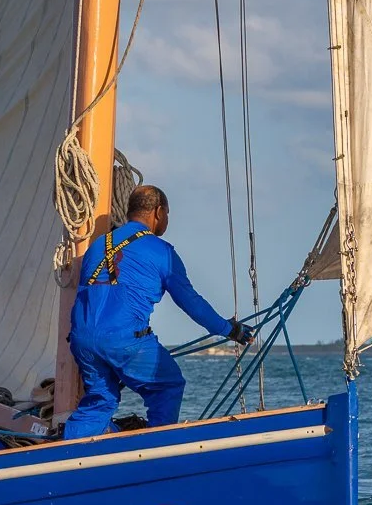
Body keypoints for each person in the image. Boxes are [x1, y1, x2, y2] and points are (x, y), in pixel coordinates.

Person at [63, 185, 253, 440]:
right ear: (158, 212)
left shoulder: (97, 246)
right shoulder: (162, 252)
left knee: (100, 400)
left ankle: (69, 453)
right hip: (125, 340)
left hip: (82, 340)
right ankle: (154, 449)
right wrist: (229, 329)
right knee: (168, 386)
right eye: (168, 214)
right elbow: (191, 302)